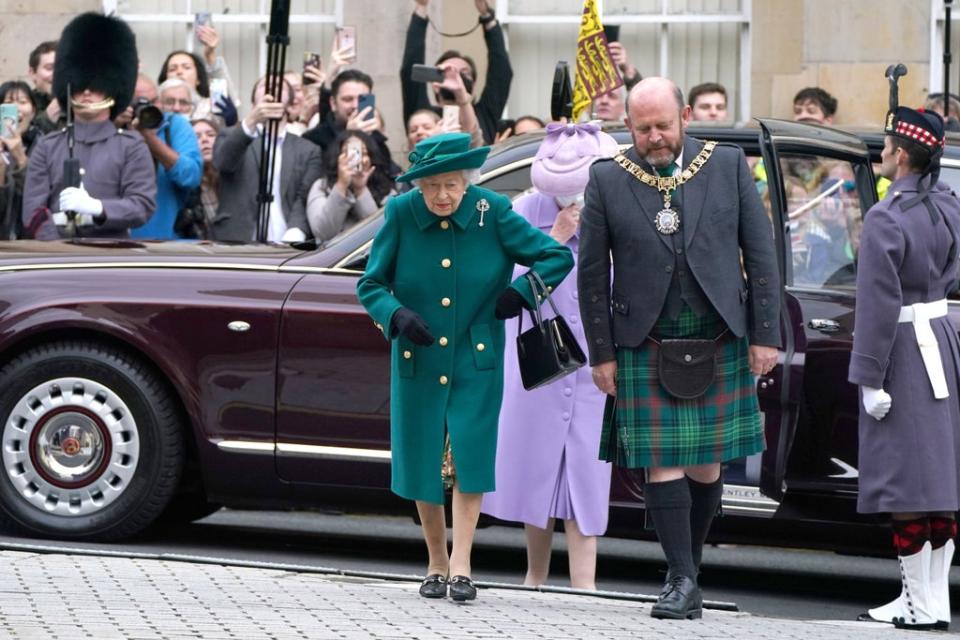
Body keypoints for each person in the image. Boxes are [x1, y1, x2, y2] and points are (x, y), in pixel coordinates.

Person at [578, 77, 780, 619]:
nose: (654, 137)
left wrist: (766, 334)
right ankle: (681, 579)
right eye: (642, 129)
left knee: (708, 465)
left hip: (717, 335)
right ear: (628, 126)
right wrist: (601, 353)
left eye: (663, 125)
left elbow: (761, 256)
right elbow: (592, 276)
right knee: (661, 461)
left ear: (686, 116)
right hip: (644, 338)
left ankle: (686, 572)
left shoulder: (727, 164)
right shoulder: (606, 178)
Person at [356, 132, 573, 602]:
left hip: (476, 359)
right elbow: (370, 283)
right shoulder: (401, 214)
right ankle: (435, 561)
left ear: (467, 181)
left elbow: (555, 255)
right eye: (431, 186)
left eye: (451, 185)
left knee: (468, 459)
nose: (442, 196)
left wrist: (524, 291)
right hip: (419, 354)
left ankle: (462, 566)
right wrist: (395, 314)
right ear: (417, 186)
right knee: (425, 461)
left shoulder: (491, 210)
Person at [481, 122, 617, 590]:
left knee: (586, 475)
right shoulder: (523, 210)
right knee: (536, 469)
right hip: (538, 361)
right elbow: (504, 288)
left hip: (595, 366)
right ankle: (533, 577)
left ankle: (586, 585)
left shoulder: (614, 209)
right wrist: (555, 239)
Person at [850, 102, 960, 631]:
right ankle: (928, 600)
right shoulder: (947, 203)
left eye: (887, 143)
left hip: (906, 350)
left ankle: (920, 607)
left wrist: (869, 377)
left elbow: (876, 304)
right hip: (942, 339)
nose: (882, 151)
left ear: (901, 153)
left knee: (905, 486)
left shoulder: (886, 215)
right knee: (936, 481)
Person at [21, 13, 156, 240]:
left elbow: (141, 205)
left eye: (96, 85)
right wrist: (59, 245)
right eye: (81, 84)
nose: (86, 91)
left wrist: (98, 208)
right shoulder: (48, 146)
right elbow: (32, 212)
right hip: (56, 255)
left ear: (113, 88)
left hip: (112, 256)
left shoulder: (131, 146)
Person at [210, 75, 322, 243]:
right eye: (264, 85)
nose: (272, 88)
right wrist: (251, 121)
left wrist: (296, 232)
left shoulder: (308, 150)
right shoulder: (231, 136)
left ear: (291, 107)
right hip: (236, 243)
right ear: (254, 103)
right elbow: (223, 163)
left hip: (286, 243)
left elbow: (303, 196)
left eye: (280, 87)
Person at [400, 0, 513, 145]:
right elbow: (409, 71)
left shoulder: (484, 113)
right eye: (448, 72)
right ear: (435, 84)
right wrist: (421, 8)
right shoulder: (423, 117)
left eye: (464, 72)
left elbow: (501, 73)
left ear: (473, 82)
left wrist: (487, 16)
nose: (456, 76)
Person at [125, 74, 202, 240]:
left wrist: (150, 139)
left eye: (154, 101)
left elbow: (191, 176)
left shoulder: (174, 125)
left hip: (168, 246)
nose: (148, 108)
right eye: (139, 102)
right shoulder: (113, 126)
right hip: (119, 244)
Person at [303, 70, 400, 178]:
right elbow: (330, 179)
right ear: (333, 103)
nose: (355, 105)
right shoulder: (313, 141)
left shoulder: (377, 141)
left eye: (361, 99)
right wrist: (351, 137)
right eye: (348, 99)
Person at [306, 130, 395, 243]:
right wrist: (341, 185)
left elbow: (383, 231)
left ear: (372, 158)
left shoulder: (386, 189)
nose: (355, 158)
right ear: (337, 158)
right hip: (334, 258)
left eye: (362, 153)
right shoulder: (321, 186)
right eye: (348, 153)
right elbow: (323, 232)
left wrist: (361, 190)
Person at [0, 81, 41, 238]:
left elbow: (39, 196)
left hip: (31, 243)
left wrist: (20, 158)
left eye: (23, 102)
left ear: (33, 110)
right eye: (9, 103)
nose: (16, 108)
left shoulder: (45, 144)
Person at [158, 45, 236, 125]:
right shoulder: (157, 107)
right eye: (172, 69)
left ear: (198, 79)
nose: (179, 72)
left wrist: (210, 56)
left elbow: (226, 96)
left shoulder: (211, 107)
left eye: (186, 67)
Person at [27, 40, 60, 132]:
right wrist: (47, 119)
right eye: (49, 68)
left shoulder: (79, 104)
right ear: (33, 73)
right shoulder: (23, 106)